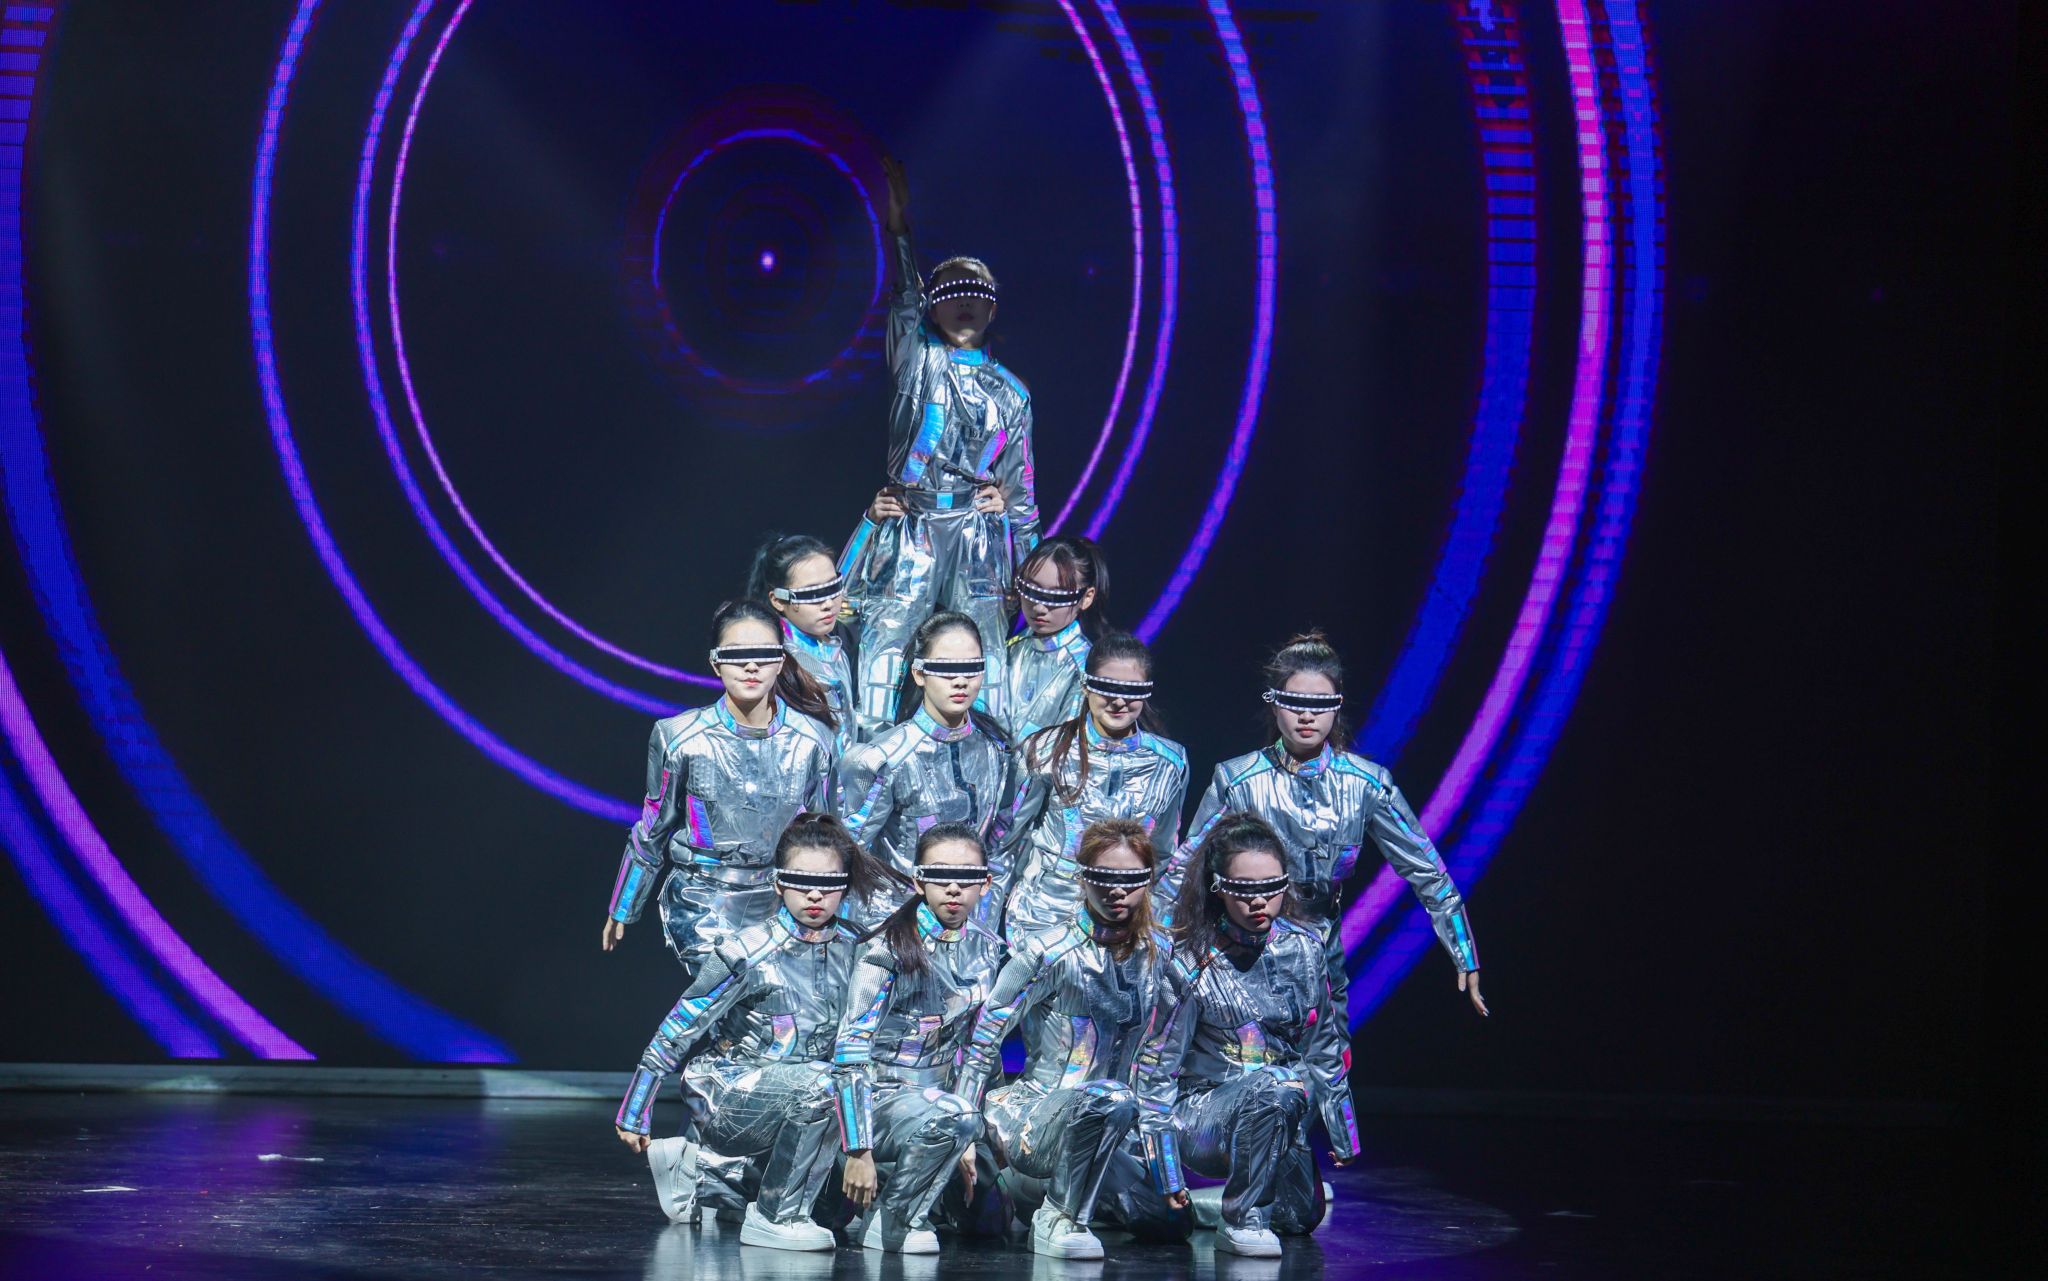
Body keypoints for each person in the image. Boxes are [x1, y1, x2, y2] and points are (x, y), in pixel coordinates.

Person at [1164, 632, 1486, 1019]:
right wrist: (1152, 948)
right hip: (1242, 957)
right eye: (1295, 702)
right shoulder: (1237, 780)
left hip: (1324, 958)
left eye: (1319, 704)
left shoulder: (1365, 784)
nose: (1307, 715)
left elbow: (1427, 870)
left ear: (1337, 706)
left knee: (1330, 1052)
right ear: (1274, 704)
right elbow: (1184, 868)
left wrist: (1464, 951)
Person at [614, 814, 894, 1250]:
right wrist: (635, 1109)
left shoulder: (864, 949)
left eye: (828, 883)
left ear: (845, 885)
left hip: (809, 1104)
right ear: (778, 884)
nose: (815, 894)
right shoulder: (746, 950)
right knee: (829, 1084)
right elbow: (680, 1027)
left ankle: (701, 1173)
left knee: (836, 1213)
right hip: (731, 1094)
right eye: (800, 881)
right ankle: (774, 1216)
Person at [839, 155, 1040, 727]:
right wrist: (900, 230)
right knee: (885, 642)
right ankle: (868, 763)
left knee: (984, 651)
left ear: (993, 306)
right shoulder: (917, 360)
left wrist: (1031, 576)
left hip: (977, 533)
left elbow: (1021, 491)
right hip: (912, 524)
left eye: (977, 291)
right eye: (951, 290)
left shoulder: (1013, 393)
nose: (965, 299)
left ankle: (992, 766)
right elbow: (904, 295)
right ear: (933, 304)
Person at [954, 818, 1189, 1259]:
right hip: (1035, 1120)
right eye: (1103, 877)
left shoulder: (1161, 957)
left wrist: (1169, 1170)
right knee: (1111, 1098)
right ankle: (1055, 1215)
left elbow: (1159, 1068)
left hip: (1113, 1124)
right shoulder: (1048, 951)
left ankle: (1075, 1196)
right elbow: (982, 1039)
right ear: (1082, 878)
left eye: (1131, 879)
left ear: (1148, 881)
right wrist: (964, 1130)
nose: (1117, 891)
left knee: (1172, 1222)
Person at [602, 600, 840, 973]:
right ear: (715, 663)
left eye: (763, 654)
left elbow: (825, 837)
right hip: (700, 901)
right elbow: (653, 828)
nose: (751, 666)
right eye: (736, 655)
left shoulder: (814, 741)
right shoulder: (679, 738)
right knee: (733, 987)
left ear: (780, 661)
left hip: (782, 903)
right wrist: (624, 905)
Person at [1165, 813, 1358, 1256]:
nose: (1259, 901)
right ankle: (1240, 1217)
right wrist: (1166, 1169)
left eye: (1272, 887)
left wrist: (1343, 1129)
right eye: (1244, 889)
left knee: (1300, 1218)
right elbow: (1157, 1068)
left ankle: (1221, 1204)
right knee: (1278, 1085)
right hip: (1202, 1117)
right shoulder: (1190, 961)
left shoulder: (1305, 948)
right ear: (1218, 888)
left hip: (1278, 1108)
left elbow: (1324, 1046)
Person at [831, 822, 1002, 1254]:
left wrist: (967, 1131)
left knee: (990, 1222)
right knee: (829, 1213)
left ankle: (920, 1180)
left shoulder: (989, 948)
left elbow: (978, 1048)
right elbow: (851, 1050)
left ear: (985, 883)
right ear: (917, 880)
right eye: (940, 875)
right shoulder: (885, 947)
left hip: (948, 1104)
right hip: (880, 1100)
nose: (953, 888)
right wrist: (858, 1148)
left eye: (966, 877)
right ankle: (893, 1218)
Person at [1003, 631, 1187, 945]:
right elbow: (1007, 840)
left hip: (1124, 926)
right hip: (1043, 919)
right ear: (1085, 685)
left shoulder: (1170, 762)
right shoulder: (1044, 750)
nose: (1119, 701)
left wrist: (1153, 926)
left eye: (1131, 690)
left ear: (1147, 691)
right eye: (1106, 687)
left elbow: (1162, 854)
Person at [837, 612, 1015, 926]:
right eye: (946, 669)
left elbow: (997, 847)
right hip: (898, 922)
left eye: (972, 668)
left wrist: (982, 923)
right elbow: (850, 856)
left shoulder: (996, 749)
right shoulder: (884, 758)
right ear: (919, 674)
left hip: (972, 926)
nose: (960, 681)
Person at [749, 532, 866, 758]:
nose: (828, 603)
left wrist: (869, 524)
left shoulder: (834, 646)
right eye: (812, 594)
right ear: (778, 600)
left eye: (833, 587)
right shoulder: (771, 661)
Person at [1002, 535, 1110, 741]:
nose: (1039, 607)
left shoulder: (1085, 668)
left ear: (1086, 598)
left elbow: (1065, 746)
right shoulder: (1009, 647)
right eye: (1030, 590)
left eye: (1056, 597)